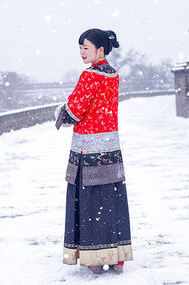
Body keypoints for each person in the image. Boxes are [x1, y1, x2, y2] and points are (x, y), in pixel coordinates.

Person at [54, 28, 133, 274]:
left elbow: (75, 110)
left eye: (85, 47)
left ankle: (95, 259)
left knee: (89, 204)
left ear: (100, 49)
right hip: (110, 148)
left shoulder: (90, 76)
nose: (81, 52)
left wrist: (60, 113)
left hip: (87, 151)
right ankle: (117, 257)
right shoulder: (113, 75)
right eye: (79, 48)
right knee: (111, 201)